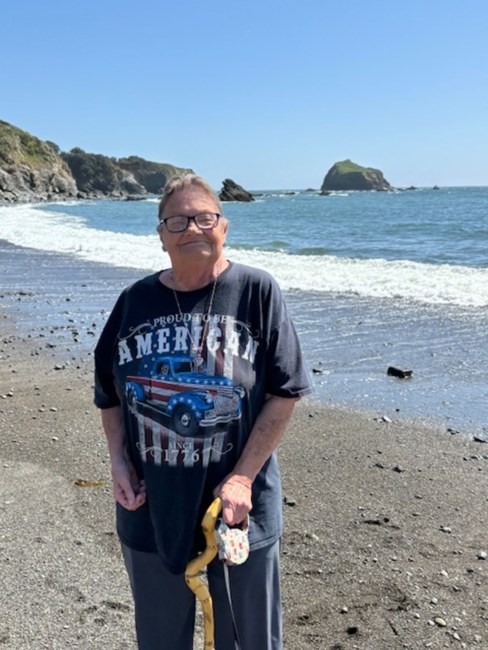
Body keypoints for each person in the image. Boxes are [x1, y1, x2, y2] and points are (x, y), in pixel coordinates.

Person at [94, 173, 312, 649]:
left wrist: (243, 478)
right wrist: (118, 462)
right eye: (177, 220)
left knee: (250, 640)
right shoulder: (134, 302)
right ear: (161, 236)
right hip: (150, 506)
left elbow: (285, 390)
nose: (192, 228)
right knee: (160, 639)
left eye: (204, 218)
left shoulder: (256, 291)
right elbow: (108, 391)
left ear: (224, 227)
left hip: (237, 510)